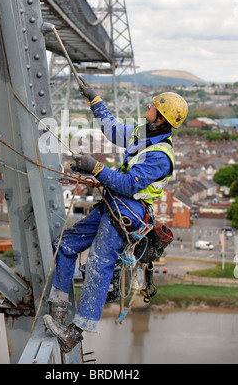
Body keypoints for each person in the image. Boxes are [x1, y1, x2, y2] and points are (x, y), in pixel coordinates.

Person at [43, 77, 188, 353]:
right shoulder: (144, 133)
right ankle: (59, 312)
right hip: (114, 204)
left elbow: (128, 184)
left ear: (160, 120)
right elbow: (113, 130)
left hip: (129, 211)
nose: (148, 106)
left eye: (153, 106)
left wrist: (96, 168)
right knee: (66, 244)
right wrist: (95, 101)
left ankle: (75, 333)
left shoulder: (161, 156)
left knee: (99, 263)